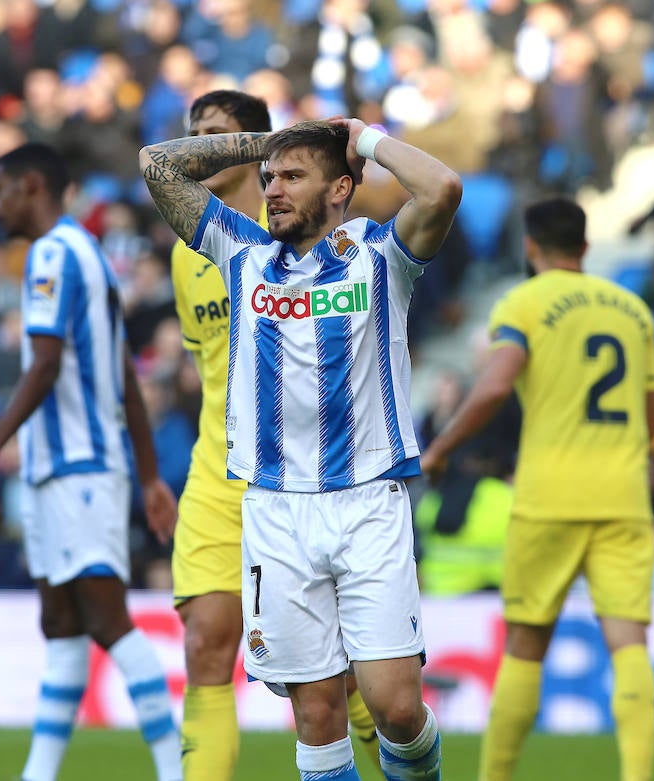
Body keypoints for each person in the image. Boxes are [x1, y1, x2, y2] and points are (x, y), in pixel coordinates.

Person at [141, 116, 462, 781]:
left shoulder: (382, 257)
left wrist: (361, 136)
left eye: (293, 177)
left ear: (341, 187)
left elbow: (442, 188)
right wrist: (272, 144)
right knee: (316, 712)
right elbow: (158, 165)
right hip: (275, 511)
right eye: (268, 180)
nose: (273, 190)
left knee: (396, 707)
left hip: (368, 502)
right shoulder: (243, 253)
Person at [0, 143, 181, 781]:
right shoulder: (88, 255)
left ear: (30, 186)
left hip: (78, 466)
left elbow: (46, 365)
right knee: (59, 623)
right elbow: (125, 378)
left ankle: (174, 770)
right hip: (64, 468)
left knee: (109, 621)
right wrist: (150, 474)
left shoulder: (51, 254)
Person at [167, 91, 382, 780]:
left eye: (219, 134)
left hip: (303, 473)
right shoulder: (185, 247)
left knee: (330, 681)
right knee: (205, 647)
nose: (202, 144)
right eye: (194, 133)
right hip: (215, 471)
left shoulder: (300, 223)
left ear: (255, 145)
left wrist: (277, 150)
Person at [420, 199, 654, 781]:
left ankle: (494, 777)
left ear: (530, 247)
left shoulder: (522, 303)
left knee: (526, 645)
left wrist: (440, 449)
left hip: (549, 494)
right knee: (628, 643)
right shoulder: (634, 311)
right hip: (624, 495)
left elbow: (495, 385)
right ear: (583, 246)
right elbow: (652, 418)